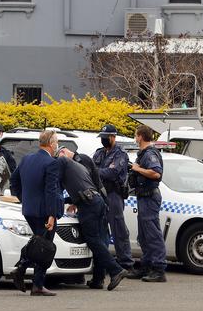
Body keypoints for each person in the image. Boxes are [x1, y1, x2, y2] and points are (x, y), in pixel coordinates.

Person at [55, 148, 128, 291]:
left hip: (89, 204)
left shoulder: (71, 161)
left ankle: (115, 270)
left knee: (93, 240)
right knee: (99, 241)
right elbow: (83, 186)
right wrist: (69, 200)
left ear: (62, 153)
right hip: (96, 200)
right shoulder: (77, 165)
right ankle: (98, 279)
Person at [9, 130, 63, 296]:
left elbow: (13, 181)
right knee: (44, 248)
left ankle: (22, 267)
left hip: (29, 209)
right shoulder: (51, 163)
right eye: (56, 142)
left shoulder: (27, 159)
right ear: (50, 143)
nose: (57, 145)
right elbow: (51, 191)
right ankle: (37, 283)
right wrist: (52, 215)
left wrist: (23, 198)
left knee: (37, 242)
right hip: (44, 212)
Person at [126, 125, 167, 282]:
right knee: (143, 236)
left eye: (136, 135)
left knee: (152, 234)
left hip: (150, 197)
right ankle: (146, 266)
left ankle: (159, 269)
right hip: (143, 197)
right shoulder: (143, 153)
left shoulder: (150, 154)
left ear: (141, 137)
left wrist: (137, 169)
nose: (135, 138)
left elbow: (156, 173)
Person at [92, 124, 134, 271]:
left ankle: (126, 264)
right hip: (100, 195)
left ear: (113, 137)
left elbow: (113, 173)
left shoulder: (120, 154)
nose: (103, 140)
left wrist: (97, 172)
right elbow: (91, 170)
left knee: (119, 230)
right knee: (100, 230)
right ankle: (102, 265)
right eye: (102, 137)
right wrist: (101, 171)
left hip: (113, 195)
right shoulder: (99, 153)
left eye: (105, 137)